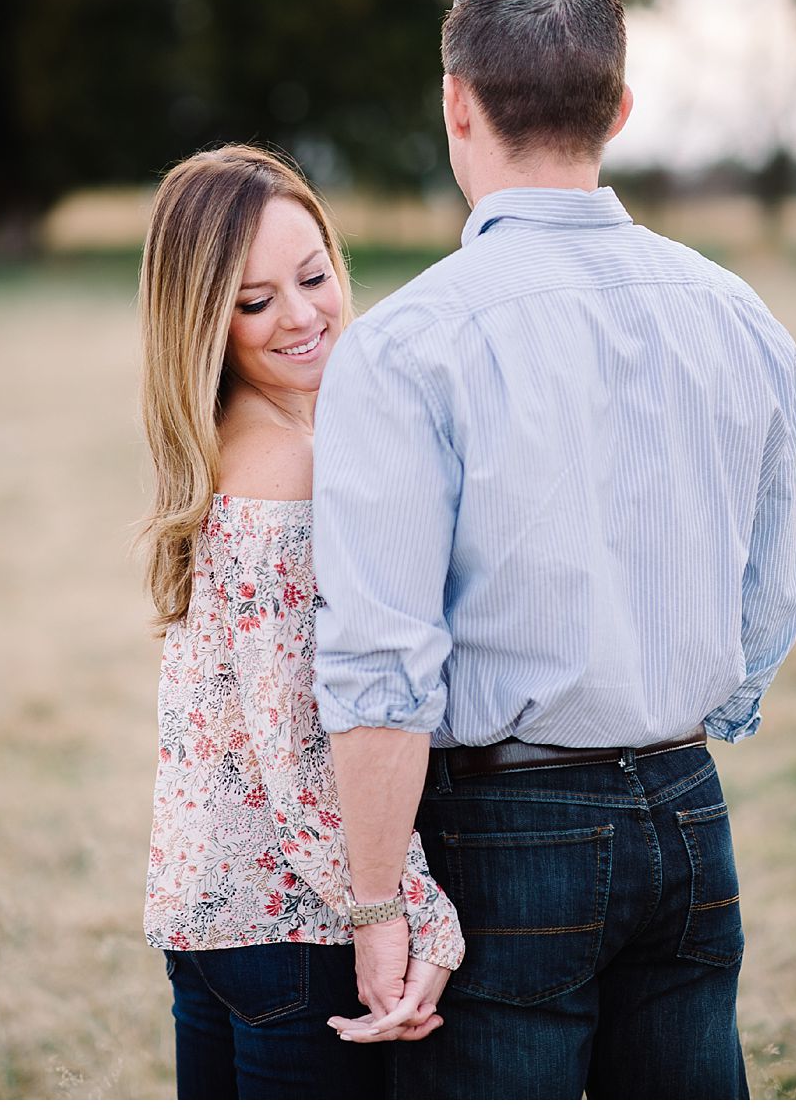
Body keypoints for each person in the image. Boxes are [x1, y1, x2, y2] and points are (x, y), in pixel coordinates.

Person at [308, 0, 796, 1098]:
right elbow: (770, 599)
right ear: (620, 110)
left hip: (504, 825)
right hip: (688, 806)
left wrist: (378, 904)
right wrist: (686, 715)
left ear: (455, 102)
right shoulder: (742, 319)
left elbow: (382, 663)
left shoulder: (406, 342)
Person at [138, 145, 463, 1099]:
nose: (304, 315)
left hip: (208, 920)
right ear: (203, 322)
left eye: (314, 276)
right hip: (294, 929)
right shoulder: (287, 469)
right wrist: (408, 911)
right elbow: (303, 741)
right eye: (254, 301)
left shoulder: (226, 446)